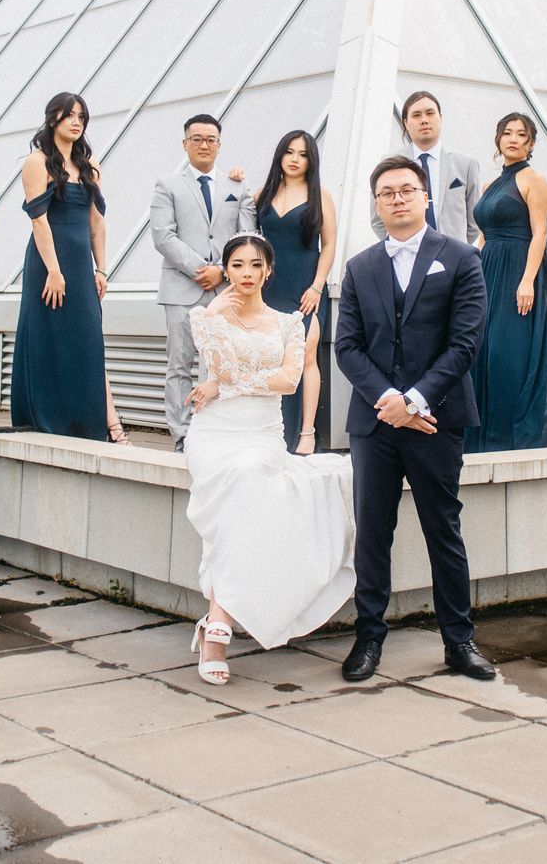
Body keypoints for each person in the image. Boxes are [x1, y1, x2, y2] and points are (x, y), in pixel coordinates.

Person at [336, 155, 494, 682]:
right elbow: (348, 347)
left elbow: (466, 341)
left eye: (407, 189)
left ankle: (459, 641)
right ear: (377, 204)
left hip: (437, 420)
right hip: (375, 424)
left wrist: (418, 400)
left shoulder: (460, 258)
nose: (398, 199)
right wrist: (390, 401)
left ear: (425, 196)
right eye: (387, 192)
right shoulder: (359, 267)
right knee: (373, 531)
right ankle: (368, 638)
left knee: (443, 529)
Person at [182, 233, 354, 683]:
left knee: (249, 475)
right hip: (215, 432)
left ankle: (217, 617)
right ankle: (219, 623)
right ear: (227, 269)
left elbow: (288, 382)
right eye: (236, 265)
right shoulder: (208, 316)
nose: (245, 274)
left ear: (268, 270)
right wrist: (228, 373)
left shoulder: (289, 324)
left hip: (261, 432)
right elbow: (222, 365)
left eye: (254, 265)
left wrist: (226, 384)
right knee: (237, 480)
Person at [10, 93, 120, 441]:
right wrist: (54, 271)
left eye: (81, 117)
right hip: (47, 261)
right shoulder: (36, 161)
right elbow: (38, 222)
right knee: (48, 333)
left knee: (85, 334)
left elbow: (97, 221)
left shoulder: (90, 165)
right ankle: (46, 417)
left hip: (80, 262)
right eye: (69, 115)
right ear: (53, 118)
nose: (76, 122)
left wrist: (101, 269)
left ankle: (86, 421)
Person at [465, 113, 547, 453]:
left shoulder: (534, 180)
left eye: (522, 135)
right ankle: (481, 434)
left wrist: (527, 281)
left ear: (531, 143)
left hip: (518, 270)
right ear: (498, 139)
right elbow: (482, 236)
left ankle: (508, 436)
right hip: (487, 271)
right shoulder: (491, 186)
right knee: (483, 351)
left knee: (508, 353)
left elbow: (541, 233)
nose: (514, 139)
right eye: (507, 133)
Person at [239, 130, 337, 453]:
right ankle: (267, 430)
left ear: (311, 160)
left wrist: (317, 287)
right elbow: (243, 234)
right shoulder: (262, 194)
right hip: (268, 288)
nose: (295, 159)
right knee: (268, 357)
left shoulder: (321, 195)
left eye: (302, 154)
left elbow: (330, 244)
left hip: (305, 287)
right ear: (280, 155)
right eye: (289, 152)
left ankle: (306, 433)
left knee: (305, 354)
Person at [150, 114, 241, 448]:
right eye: (197, 139)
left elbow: (245, 234)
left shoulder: (236, 186)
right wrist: (200, 268)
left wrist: (223, 270)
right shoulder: (167, 185)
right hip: (181, 289)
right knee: (180, 364)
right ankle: (183, 434)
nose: (204, 145)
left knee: (220, 363)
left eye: (211, 139)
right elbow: (162, 236)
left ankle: (213, 430)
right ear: (185, 143)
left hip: (225, 290)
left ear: (219, 144)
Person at [371, 89, 481, 244]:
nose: (424, 120)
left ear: (440, 118)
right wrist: (402, 244)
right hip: (407, 253)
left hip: (453, 255)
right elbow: (377, 219)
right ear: (405, 123)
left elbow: (474, 221)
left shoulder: (466, 164)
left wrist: (456, 250)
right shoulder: (390, 164)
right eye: (416, 115)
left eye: (430, 113)